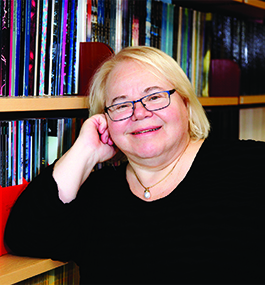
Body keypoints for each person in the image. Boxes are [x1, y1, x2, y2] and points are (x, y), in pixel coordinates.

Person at [5, 46, 265, 284]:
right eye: (120, 105)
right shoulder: (98, 194)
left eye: (154, 97)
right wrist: (84, 152)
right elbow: (25, 237)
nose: (139, 113)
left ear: (186, 103)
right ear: (105, 120)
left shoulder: (252, 166)